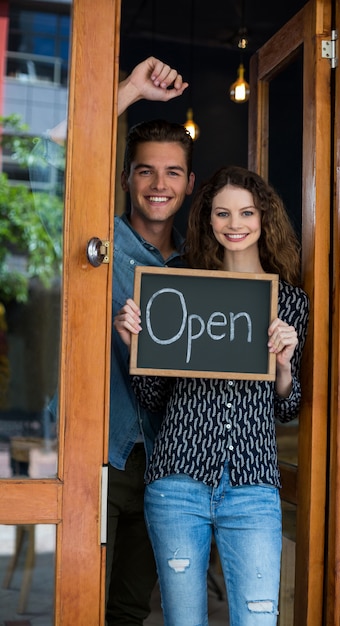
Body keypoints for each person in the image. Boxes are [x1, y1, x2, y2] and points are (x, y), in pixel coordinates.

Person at [114, 165, 310, 625]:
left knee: (258, 619)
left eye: (246, 212)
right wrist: (134, 346)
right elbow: (154, 395)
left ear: (264, 218)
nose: (235, 224)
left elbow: (286, 407)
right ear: (208, 220)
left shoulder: (290, 302)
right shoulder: (182, 284)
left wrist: (283, 366)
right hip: (178, 479)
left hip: (253, 483)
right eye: (222, 214)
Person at [41, 56, 195, 625]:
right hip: (91, 455)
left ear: (189, 183)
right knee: (74, 604)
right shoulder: (94, 239)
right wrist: (128, 89)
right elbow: (41, 154)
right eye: (146, 171)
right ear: (127, 177)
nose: (159, 185)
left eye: (172, 172)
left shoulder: (198, 271)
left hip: (163, 464)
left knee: (130, 611)